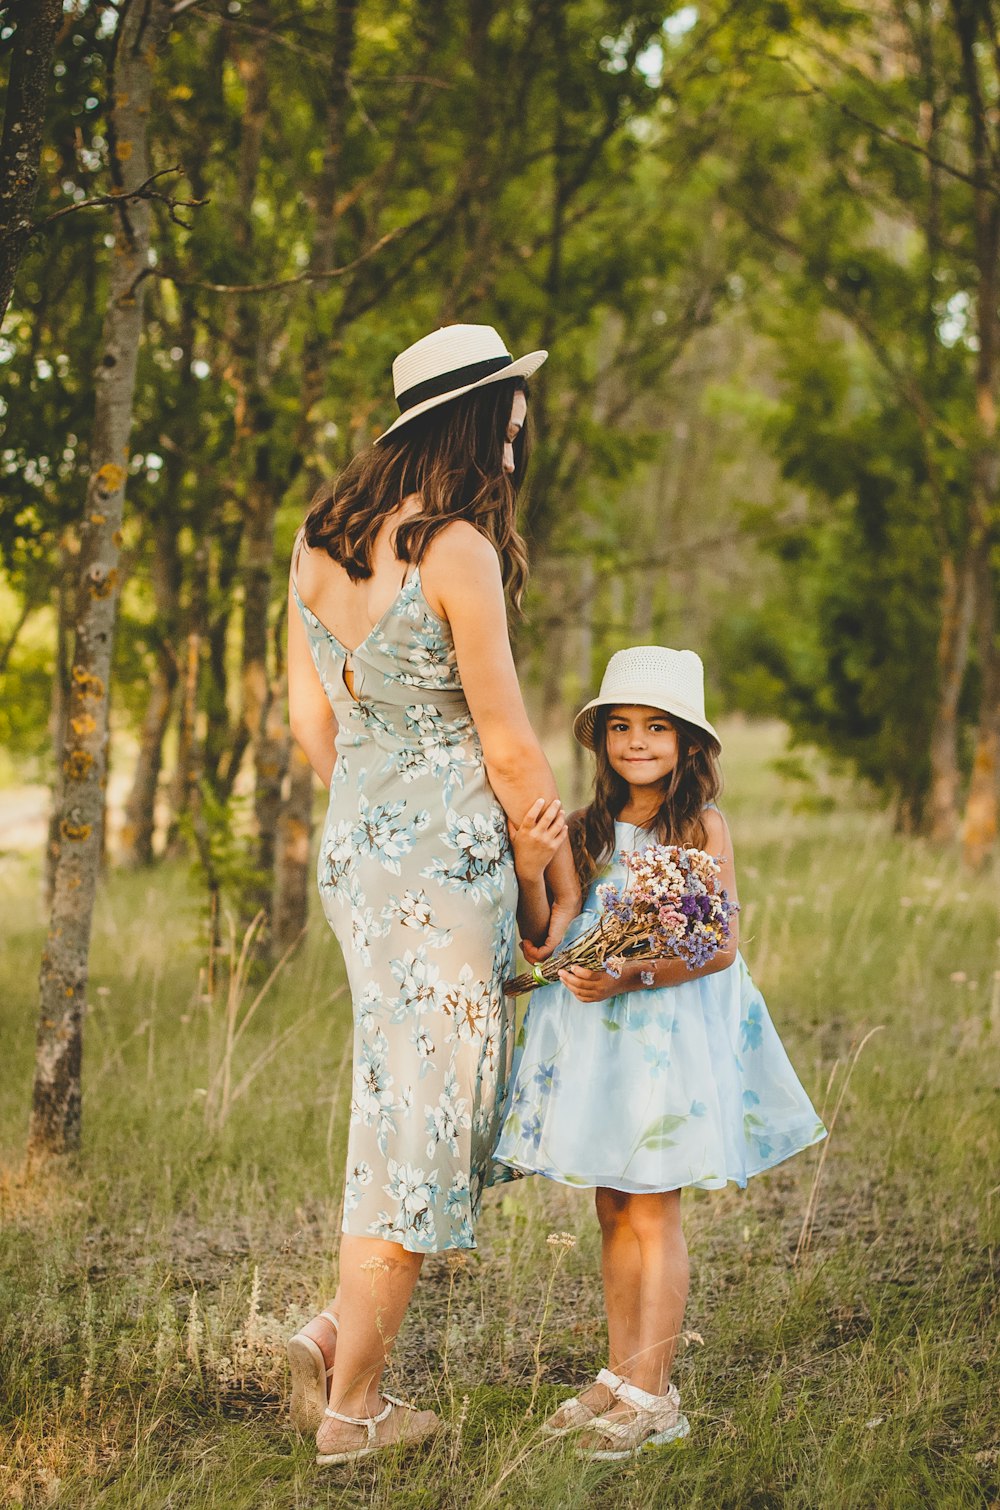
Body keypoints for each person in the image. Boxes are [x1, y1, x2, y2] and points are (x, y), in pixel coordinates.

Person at [285, 324, 580, 1466]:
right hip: (448, 870)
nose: (520, 426)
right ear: (478, 420)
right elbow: (509, 748)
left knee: (411, 1107)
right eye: (511, 408)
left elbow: (313, 724)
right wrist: (558, 880)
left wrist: (384, 812)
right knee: (419, 1127)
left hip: (361, 855)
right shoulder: (454, 548)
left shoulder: (320, 539)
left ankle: (327, 1334)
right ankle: (355, 1412)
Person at [496, 645, 827, 1460]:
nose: (635, 742)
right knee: (612, 1206)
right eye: (620, 727)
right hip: (598, 1045)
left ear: (687, 744)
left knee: (653, 1208)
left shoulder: (700, 827)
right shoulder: (590, 827)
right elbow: (546, 942)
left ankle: (656, 1393)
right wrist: (534, 870)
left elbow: (718, 946)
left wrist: (632, 974)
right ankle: (619, 1374)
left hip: (664, 1041)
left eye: (655, 728)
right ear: (600, 739)